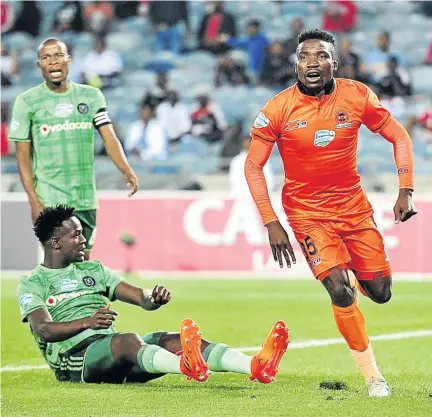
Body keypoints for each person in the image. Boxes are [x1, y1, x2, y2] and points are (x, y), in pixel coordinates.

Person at [245, 29, 417, 397]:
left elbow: (400, 137)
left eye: (321, 55)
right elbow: (253, 167)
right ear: (296, 63)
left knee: (382, 292)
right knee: (339, 291)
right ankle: (374, 378)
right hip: (307, 214)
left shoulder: (357, 95)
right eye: (304, 55)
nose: (312, 61)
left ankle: (353, 277)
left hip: (354, 209)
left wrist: (406, 189)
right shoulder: (277, 108)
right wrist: (271, 221)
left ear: (333, 64)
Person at [18, 205, 289, 384]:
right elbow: (44, 329)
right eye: (76, 235)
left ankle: (255, 365)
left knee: (169, 338)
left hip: (112, 349)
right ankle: (185, 365)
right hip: (76, 361)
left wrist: (153, 298)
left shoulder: (93, 269)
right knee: (127, 341)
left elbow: (140, 298)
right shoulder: (34, 282)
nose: (83, 240)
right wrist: (87, 322)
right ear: (55, 243)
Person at [8, 38, 138, 259]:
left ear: (69, 60)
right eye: (46, 57)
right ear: (39, 64)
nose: (53, 62)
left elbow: (109, 138)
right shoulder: (27, 102)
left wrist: (126, 169)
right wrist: (33, 200)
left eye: (58, 55)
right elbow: (22, 157)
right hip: (50, 199)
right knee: (59, 265)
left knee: (83, 266)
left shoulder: (92, 96)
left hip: (85, 198)